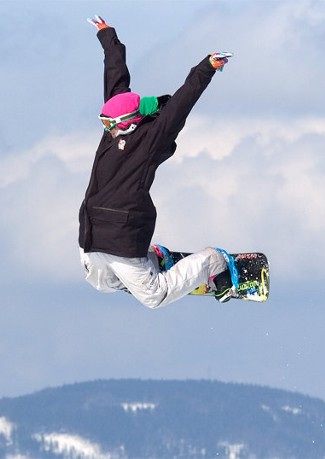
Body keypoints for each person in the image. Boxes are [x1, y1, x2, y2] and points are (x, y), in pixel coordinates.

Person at [78, 15, 238, 308]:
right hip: (92, 232)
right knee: (100, 283)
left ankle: (214, 262)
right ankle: (155, 260)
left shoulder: (152, 137)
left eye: (110, 123)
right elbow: (116, 78)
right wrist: (108, 36)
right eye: (103, 122)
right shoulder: (113, 131)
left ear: (130, 122)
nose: (106, 129)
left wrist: (206, 68)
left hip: (123, 236)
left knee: (154, 297)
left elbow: (181, 102)